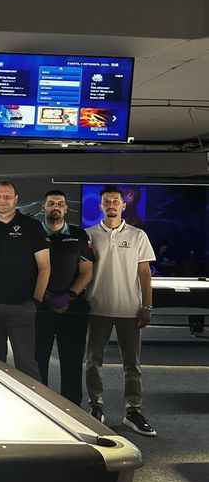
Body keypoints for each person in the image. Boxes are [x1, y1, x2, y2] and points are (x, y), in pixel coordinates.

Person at [85, 185, 157, 436]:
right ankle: (96, 405)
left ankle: (133, 411)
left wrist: (146, 306)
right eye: (106, 201)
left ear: (124, 205)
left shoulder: (138, 235)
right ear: (100, 206)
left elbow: (144, 273)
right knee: (93, 362)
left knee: (132, 365)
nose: (111, 205)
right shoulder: (89, 235)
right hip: (97, 308)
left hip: (130, 309)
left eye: (115, 201)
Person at [0, 180, 49, 379]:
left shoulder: (32, 226)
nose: (3, 200)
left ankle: (31, 399)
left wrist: (36, 301)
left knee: (26, 363)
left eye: (7, 197)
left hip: (22, 307)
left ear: (16, 199)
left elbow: (45, 267)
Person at [34, 190, 94, 405]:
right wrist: (46, 297)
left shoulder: (79, 235)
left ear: (66, 208)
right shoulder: (33, 233)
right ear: (43, 207)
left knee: (72, 361)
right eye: (51, 203)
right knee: (38, 360)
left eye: (60, 203)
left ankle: (72, 407)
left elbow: (86, 271)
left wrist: (67, 297)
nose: (56, 206)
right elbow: (27, 269)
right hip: (40, 308)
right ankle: (39, 404)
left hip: (73, 308)